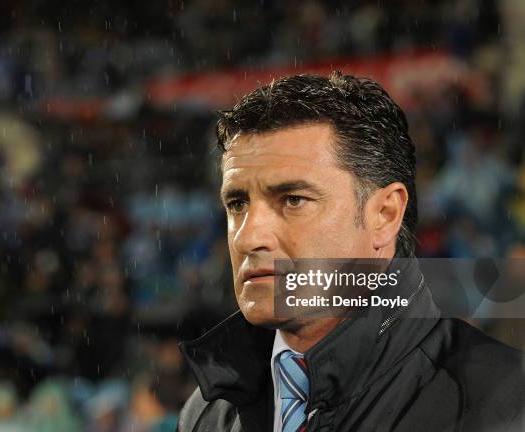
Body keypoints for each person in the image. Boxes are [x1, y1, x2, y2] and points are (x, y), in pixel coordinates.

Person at [177, 73, 525, 432]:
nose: (247, 237)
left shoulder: (504, 405)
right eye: (237, 203)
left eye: (293, 200)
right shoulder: (208, 413)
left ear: (385, 214)